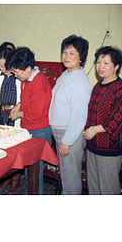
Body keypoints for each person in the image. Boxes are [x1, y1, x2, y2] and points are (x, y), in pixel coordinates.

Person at [83, 46, 122, 195]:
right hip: (93, 146)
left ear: (116, 66)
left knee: (108, 190)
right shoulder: (98, 86)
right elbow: (91, 112)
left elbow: (116, 122)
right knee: (93, 187)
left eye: (106, 63)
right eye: (98, 62)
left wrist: (92, 130)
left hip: (110, 150)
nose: (100, 67)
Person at [49, 35, 91, 195]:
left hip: (69, 135)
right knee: (67, 176)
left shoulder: (79, 81)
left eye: (72, 53)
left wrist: (66, 141)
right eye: (64, 52)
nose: (67, 56)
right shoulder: (66, 74)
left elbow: (79, 116)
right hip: (61, 132)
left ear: (81, 57)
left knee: (71, 177)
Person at [7, 47, 52, 195]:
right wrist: (19, 106)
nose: (15, 76)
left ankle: (34, 194)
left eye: (16, 72)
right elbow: (27, 99)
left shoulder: (39, 82)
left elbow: (35, 113)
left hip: (38, 129)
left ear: (28, 68)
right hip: (30, 127)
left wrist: (18, 114)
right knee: (29, 166)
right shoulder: (27, 78)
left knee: (34, 169)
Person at [0, 47, 22, 193]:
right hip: (2, 115)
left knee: (15, 149)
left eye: (6, 65)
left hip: (16, 116)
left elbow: (24, 97)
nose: (4, 68)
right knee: (3, 149)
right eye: (0, 65)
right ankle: (5, 178)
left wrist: (19, 111)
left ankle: (15, 179)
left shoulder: (18, 75)